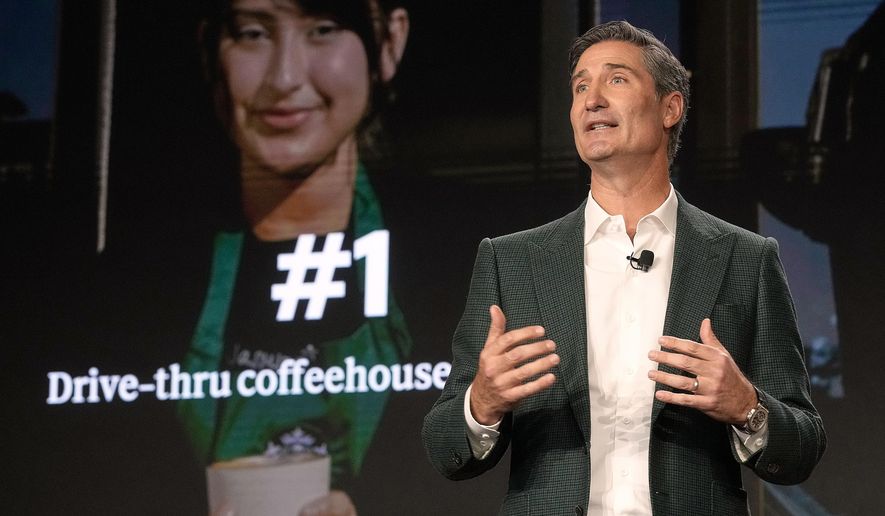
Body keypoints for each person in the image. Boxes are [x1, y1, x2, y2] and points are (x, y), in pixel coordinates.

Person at [422, 21, 826, 515]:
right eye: (580, 86)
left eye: (615, 79)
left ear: (670, 108)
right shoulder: (512, 262)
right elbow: (446, 447)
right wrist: (481, 402)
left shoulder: (745, 258)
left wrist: (746, 406)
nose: (591, 99)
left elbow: (803, 446)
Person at [177, 1, 410, 514]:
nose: (283, 78)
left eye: (323, 29)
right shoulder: (133, 279)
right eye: (253, 33)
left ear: (389, 41)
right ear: (209, 48)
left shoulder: (463, 261)